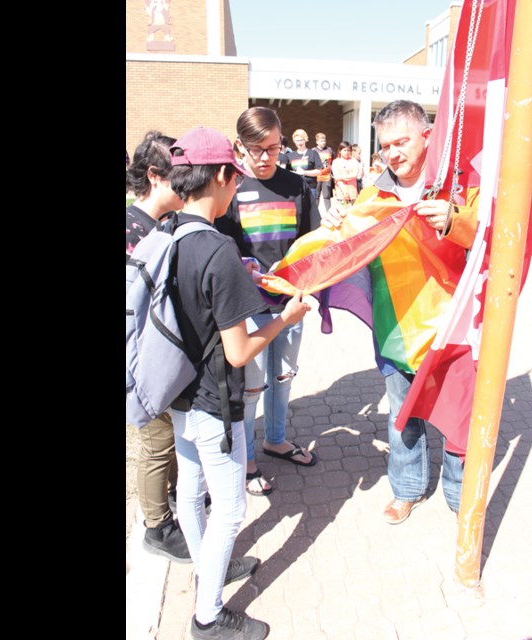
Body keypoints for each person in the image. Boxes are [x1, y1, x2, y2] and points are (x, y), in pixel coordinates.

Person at [165, 126, 311, 640]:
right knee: (230, 506)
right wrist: (284, 321)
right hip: (212, 397)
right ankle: (209, 617)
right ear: (225, 176)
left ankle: (208, 571)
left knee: (189, 489)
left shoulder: (170, 234)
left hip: (176, 393)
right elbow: (240, 350)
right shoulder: (217, 249)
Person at [321, 100, 479, 524]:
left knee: (456, 415)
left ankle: (459, 493)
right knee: (401, 416)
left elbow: (494, 239)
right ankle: (407, 490)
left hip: (451, 327)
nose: (393, 153)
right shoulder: (373, 196)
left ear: (427, 136)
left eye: (402, 142)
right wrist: (335, 221)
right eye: (386, 145)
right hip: (395, 328)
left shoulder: (459, 188)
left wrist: (456, 219)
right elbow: (343, 248)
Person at [215, 106, 318, 498]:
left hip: (290, 304)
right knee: (251, 387)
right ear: (239, 146)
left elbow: (312, 244)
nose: (264, 158)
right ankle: (247, 462)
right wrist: (247, 272)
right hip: (249, 310)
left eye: (273, 149)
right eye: (256, 149)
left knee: (283, 377)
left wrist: (307, 285)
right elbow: (221, 251)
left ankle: (277, 440)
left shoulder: (297, 186)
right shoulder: (231, 189)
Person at [125, 130, 192, 563]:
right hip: (142, 359)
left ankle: (173, 500)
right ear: (154, 176)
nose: (188, 187)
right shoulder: (134, 229)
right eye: (179, 177)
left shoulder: (164, 223)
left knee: (167, 436)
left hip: (163, 355)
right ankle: (157, 526)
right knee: (157, 440)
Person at [285, 129, 323, 226]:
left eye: (301, 140)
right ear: (294, 141)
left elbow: (319, 171)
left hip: (311, 188)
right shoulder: (290, 156)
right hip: (295, 189)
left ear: (306, 140)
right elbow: (286, 171)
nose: (299, 142)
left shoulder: (313, 153)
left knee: (311, 212)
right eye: (297, 140)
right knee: (297, 212)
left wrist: (304, 172)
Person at [330, 141, 359, 209]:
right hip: (341, 192)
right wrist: (344, 192)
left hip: (353, 192)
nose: (347, 152)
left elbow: (355, 174)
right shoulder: (336, 162)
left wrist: (342, 177)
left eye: (349, 150)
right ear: (340, 151)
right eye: (344, 150)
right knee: (342, 213)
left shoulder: (354, 161)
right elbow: (337, 177)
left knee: (353, 213)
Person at [313, 132, 334, 214]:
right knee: (316, 197)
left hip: (327, 177)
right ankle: (315, 214)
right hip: (316, 177)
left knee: (326, 196)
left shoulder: (329, 150)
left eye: (324, 140)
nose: (323, 142)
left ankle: (330, 214)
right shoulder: (313, 151)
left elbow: (333, 161)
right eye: (321, 141)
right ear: (317, 142)